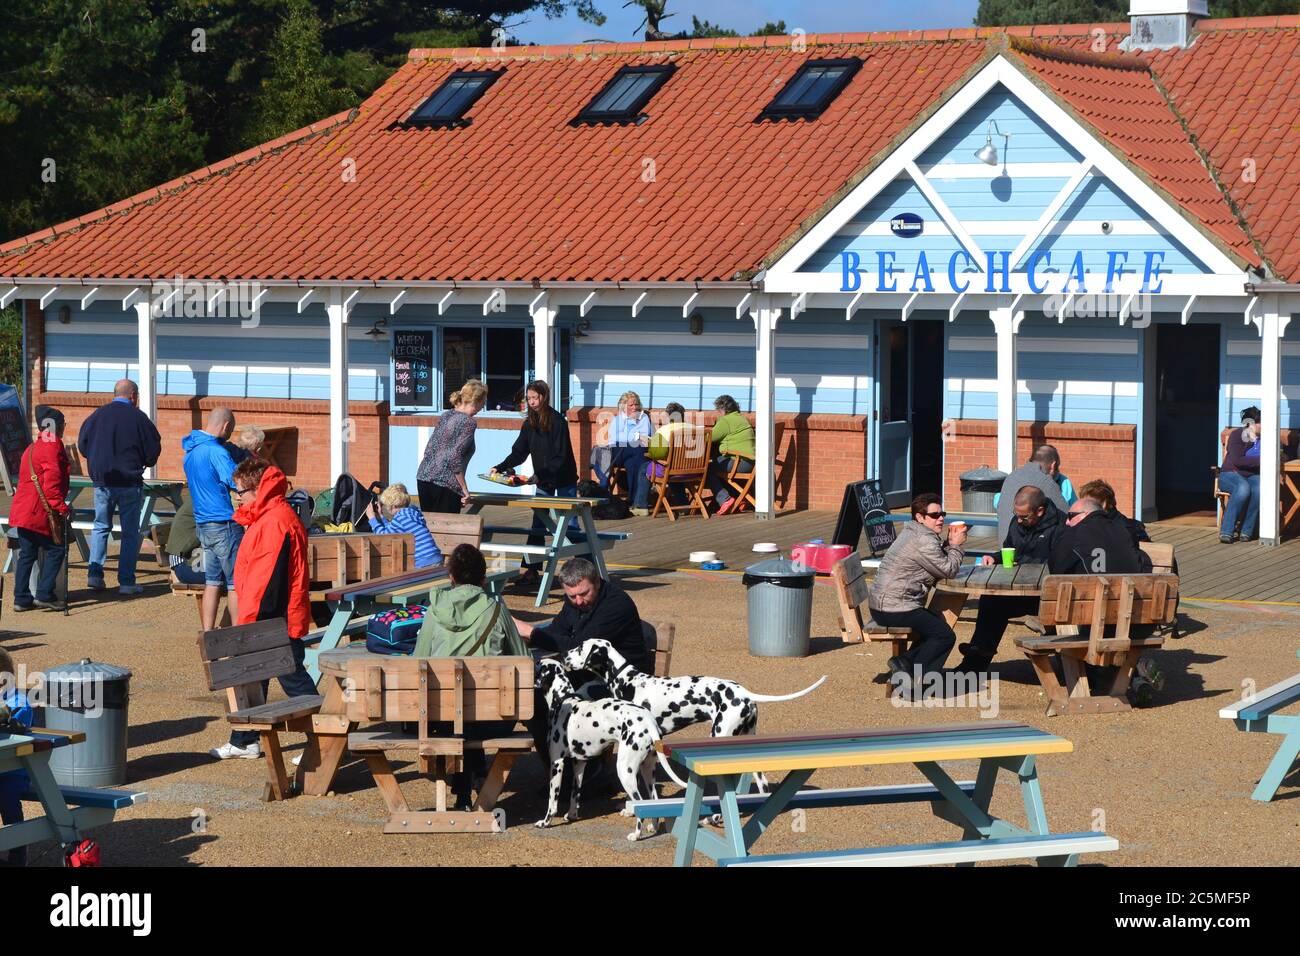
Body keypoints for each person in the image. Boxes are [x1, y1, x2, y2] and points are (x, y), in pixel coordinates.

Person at [210, 457, 313, 760]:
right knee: (256, 677)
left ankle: (324, 737)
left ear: (257, 489)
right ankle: (245, 739)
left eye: (240, 491)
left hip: (274, 620)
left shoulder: (274, 522)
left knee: (293, 679)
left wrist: (253, 628)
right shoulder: (270, 517)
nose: (236, 497)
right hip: (274, 617)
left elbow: (268, 584)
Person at [412, 543, 526, 809]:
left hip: (439, 719)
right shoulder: (497, 611)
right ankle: (475, 781)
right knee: (478, 710)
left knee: (458, 713)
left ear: (451, 577)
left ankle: (466, 787)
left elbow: (418, 659)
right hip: (492, 719)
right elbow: (524, 660)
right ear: (484, 579)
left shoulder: (434, 612)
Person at [866, 493, 968, 694]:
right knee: (944, 636)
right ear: (919, 517)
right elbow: (948, 570)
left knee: (936, 626)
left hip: (885, 605)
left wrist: (947, 545)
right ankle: (911, 674)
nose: (940, 518)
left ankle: (908, 668)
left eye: (942, 514)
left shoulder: (916, 533)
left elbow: (936, 563)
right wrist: (956, 546)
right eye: (934, 515)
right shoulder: (923, 540)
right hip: (894, 608)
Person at [957, 486, 1065, 672]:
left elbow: (1058, 563)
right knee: (991, 600)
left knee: (1056, 621)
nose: (1019, 520)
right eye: (1017, 514)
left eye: (1024, 517)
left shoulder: (1061, 526)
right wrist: (996, 558)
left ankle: (1068, 668)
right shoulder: (1018, 522)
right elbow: (1010, 550)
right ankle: (974, 664)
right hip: (1020, 591)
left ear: (1040, 511)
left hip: (1048, 596)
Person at [76, 379, 162, 595]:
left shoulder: (97, 416)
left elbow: (83, 445)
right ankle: (126, 581)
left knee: (101, 527)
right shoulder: (139, 418)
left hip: (103, 483)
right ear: (133, 395)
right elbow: (153, 451)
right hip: (129, 482)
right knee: (130, 533)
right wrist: (144, 461)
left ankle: (95, 575)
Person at [490, 380, 579, 586]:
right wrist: (500, 467)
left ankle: (585, 568)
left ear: (544, 397)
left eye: (535, 398)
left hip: (563, 478)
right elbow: (519, 452)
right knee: (538, 523)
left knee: (571, 525)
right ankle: (531, 569)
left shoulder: (558, 421)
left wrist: (541, 474)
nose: (531, 402)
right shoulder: (529, 423)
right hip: (544, 479)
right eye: (528, 398)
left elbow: (561, 457)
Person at [512, 558, 649, 672]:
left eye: (584, 593)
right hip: (596, 672)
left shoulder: (615, 605)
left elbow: (581, 649)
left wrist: (530, 632)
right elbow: (557, 630)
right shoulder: (576, 603)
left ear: (597, 582)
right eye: (572, 596)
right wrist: (521, 638)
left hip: (625, 680)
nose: (578, 601)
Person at [182, 407, 243, 632]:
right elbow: (237, 481)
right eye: (231, 430)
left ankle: (208, 633)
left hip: (203, 524)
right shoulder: (216, 451)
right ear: (226, 426)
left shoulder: (191, 451)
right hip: (224, 523)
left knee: (212, 582)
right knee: (236, 583)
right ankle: (238, 634)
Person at [9, 405, 70, 611]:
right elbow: (52, 481)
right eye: (62, 424)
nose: (63, 428)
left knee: (27, 553)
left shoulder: (33, 446)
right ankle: (44, 594)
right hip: (38, 511)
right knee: (56, 550)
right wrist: (60, 507)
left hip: (23, 510)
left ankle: (21, 598)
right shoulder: (52, 445)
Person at [416, 379, 485, 513]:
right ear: (477, 401)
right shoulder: (469, 422)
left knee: (431, 529)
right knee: (447, 530)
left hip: (423, 477)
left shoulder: (447, 415)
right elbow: (454, 457)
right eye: (483, 402)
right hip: (445, 484)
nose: (483, 406)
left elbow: (430, 448)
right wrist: (463, 489)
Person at [1050, 498, 1152, 576]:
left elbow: (1056, 569)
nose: (1067, 522)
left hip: (1089, 600)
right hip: (1131, 599)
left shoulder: (1072, 534)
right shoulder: (1125, 530)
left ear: (1085, 514)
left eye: (1071, 516)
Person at [593, 391, 653, 516]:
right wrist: (636, 435)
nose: (635, 407)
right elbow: (615, 437)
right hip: (618, 452)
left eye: (636, 404)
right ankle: (636, 500)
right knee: (637, 449)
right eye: (631, 405)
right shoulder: (618, 419)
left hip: (635, 454)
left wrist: (632, 437)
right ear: (623, 406)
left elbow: (646, 436)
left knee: (633, 463)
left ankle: (633, 500)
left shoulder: (644, 418)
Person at [0, 647, 34, 865]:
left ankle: (18, 849)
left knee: (7, 796)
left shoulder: (18, 700)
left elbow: (14, 719)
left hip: (13, 769)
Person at [994, 445, 1070, 541]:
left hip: (1005, 548)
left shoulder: (1011, 477)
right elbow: (1068, 519)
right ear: (1053, 465)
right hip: (1027, 549)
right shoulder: (1046, 481)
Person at [1219, 405, 1267, 543]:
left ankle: (1247, 531)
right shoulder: (1237, 435)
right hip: (1230, 473)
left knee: (1260, 489)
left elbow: (1278, 453)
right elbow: (1238, 460)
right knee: (1243, 488)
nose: (1263, 425)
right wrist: (1263, 459)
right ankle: (1226, 531)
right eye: (1260, 423)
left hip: (1251, 475)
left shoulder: (1266, 438)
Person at [366, 483, 442, 569]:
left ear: (393, 506)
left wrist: (372, 519)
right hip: (435, 557)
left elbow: (384, 536)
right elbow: (392, 530)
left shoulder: (400, 518)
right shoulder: (413, 512)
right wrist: (381, 516)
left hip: (423, 561)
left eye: (386, 505)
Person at [706, 394, 755, 515]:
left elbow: (709, 438)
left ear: (722, 409)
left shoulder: (726, 420)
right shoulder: (742, 418)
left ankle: (725, 500)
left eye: (718, 410)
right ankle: (740, 499)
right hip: (751, 462)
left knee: (707, 468)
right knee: (719, 465)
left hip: (739, 463)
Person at [1078, 478, 1149, 548]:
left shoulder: (1117, 530)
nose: (1083, 507)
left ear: (1104, 504)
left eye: (1087, 504)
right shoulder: (1134, 527)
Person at [162, 498, 205, 585]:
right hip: (185, 563)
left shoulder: (201, 498)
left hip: (186, 560)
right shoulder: (206, 503)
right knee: (228, 579)